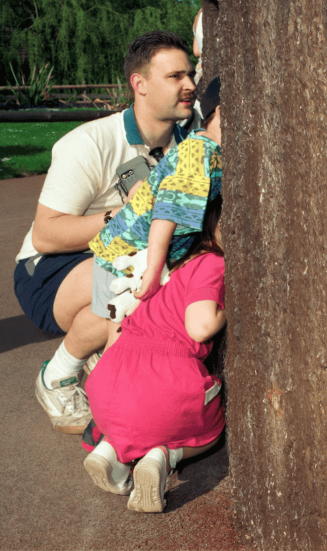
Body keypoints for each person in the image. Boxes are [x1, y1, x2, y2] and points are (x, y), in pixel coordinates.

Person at [13, 31, 197, 434]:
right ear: (140, 84)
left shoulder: (194, 134)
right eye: (176, 77)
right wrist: (127, 214)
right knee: (136, 274)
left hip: (120, 257)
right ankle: (58, 376)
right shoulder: (89, 144)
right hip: (50, 269)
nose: (190, 86)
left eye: (192, 74)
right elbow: (46, 235)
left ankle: (105, 349)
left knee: (164, 272)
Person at [83, 195, 226, 513]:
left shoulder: (162, 264)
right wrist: (229, 307)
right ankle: (165, 455)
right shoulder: (213, 264)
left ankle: (112, 454)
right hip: (163, 384)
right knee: (213, 429)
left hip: (108, 381)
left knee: (133, 422)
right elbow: (200, 326)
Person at [90, 76, 222, 351]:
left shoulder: (208, 149)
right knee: (124, 327)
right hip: (126, 252)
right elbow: (167, 212)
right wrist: (153, 267)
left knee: (122, 320)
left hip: (135, 250)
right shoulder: (200, 152)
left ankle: (100, 369)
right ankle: (112, 375)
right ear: (221, 112)